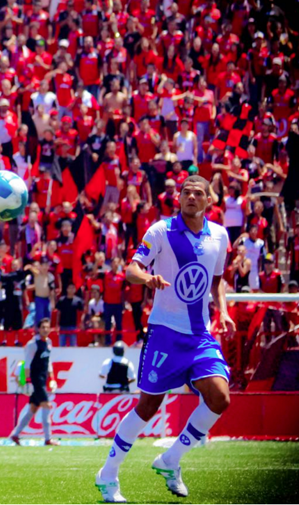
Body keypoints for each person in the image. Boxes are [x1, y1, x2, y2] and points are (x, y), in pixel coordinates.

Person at [95, 175, 235, 503]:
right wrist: (148, 278)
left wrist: (223, 311)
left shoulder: (219, 236)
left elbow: (217, 282)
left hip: (200, 334)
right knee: (148, 405)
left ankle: (170, 459)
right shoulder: (160, 231)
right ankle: (108, 475)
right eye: (186, 192)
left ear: (208, 201)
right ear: (179, 198)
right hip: (165, 333)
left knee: (220, 398)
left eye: (197, 193)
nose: (190, 197)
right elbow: (131, 269)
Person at [9, 318, 58, 445]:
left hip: (43, 379)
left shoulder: (49, 343)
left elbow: (49, 363)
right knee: (46, 405)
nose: (45, 330)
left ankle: (15, 434)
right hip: (36, 380)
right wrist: (28, 382)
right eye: (43, 327)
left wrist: (52, 379)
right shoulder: (32, 344)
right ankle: (48, 439)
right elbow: (27, 364)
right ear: (38, 329)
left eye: (47, 327)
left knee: (33, 409)